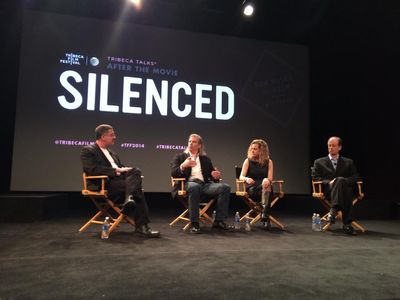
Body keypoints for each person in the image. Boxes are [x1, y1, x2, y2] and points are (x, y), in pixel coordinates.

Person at [81, 124, 160, 237]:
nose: (115, 137)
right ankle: (142, 226)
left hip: (119, 182)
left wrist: (125, 170)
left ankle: (129, 198)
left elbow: (121, 168)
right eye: (112, 135)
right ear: (103, 136)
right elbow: (92, 169)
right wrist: (116, 170)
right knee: (137, 191)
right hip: (104, 184)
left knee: (135, 170)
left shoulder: (112, 153)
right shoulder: (88, 150)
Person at [170, 133, 231, 233]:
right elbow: (173, 173)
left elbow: (212, 175)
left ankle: (219, 221)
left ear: (199, 145)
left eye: (194, 142)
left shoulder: (205, 159)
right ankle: (195, 223)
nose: (191, 143)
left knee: (225, 187)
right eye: (189, 141)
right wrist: (183, 165)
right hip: (187, 184)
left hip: (204, 185)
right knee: (194, 187)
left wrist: (215, 176)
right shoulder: (180, 157)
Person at [312, 136, 359, 235]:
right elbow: (315, 178)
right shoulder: (319, 162)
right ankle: (347, 224)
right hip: (329, 191)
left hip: (344, 191)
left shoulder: (348, 162)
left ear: (339, 147)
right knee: (345, 190)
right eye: (329, 145)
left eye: (333, 146)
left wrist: (342, 181)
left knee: (341, 181)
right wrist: (329, 182)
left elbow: (355, 177)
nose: (331, 148)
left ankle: (333, 211)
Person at [239, 139, 274, 229]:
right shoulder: (248, 161)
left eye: (255, 149)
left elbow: (270, 178)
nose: (252, 150)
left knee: (267, 184)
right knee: (267, 188)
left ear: (261, 151)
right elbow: (241, 176)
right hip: (252, 189)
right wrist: (246, 179)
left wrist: (266, 179)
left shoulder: (269, 162)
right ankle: (266, 216)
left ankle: (264, 216)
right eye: (251, 149)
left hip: (264, 187)